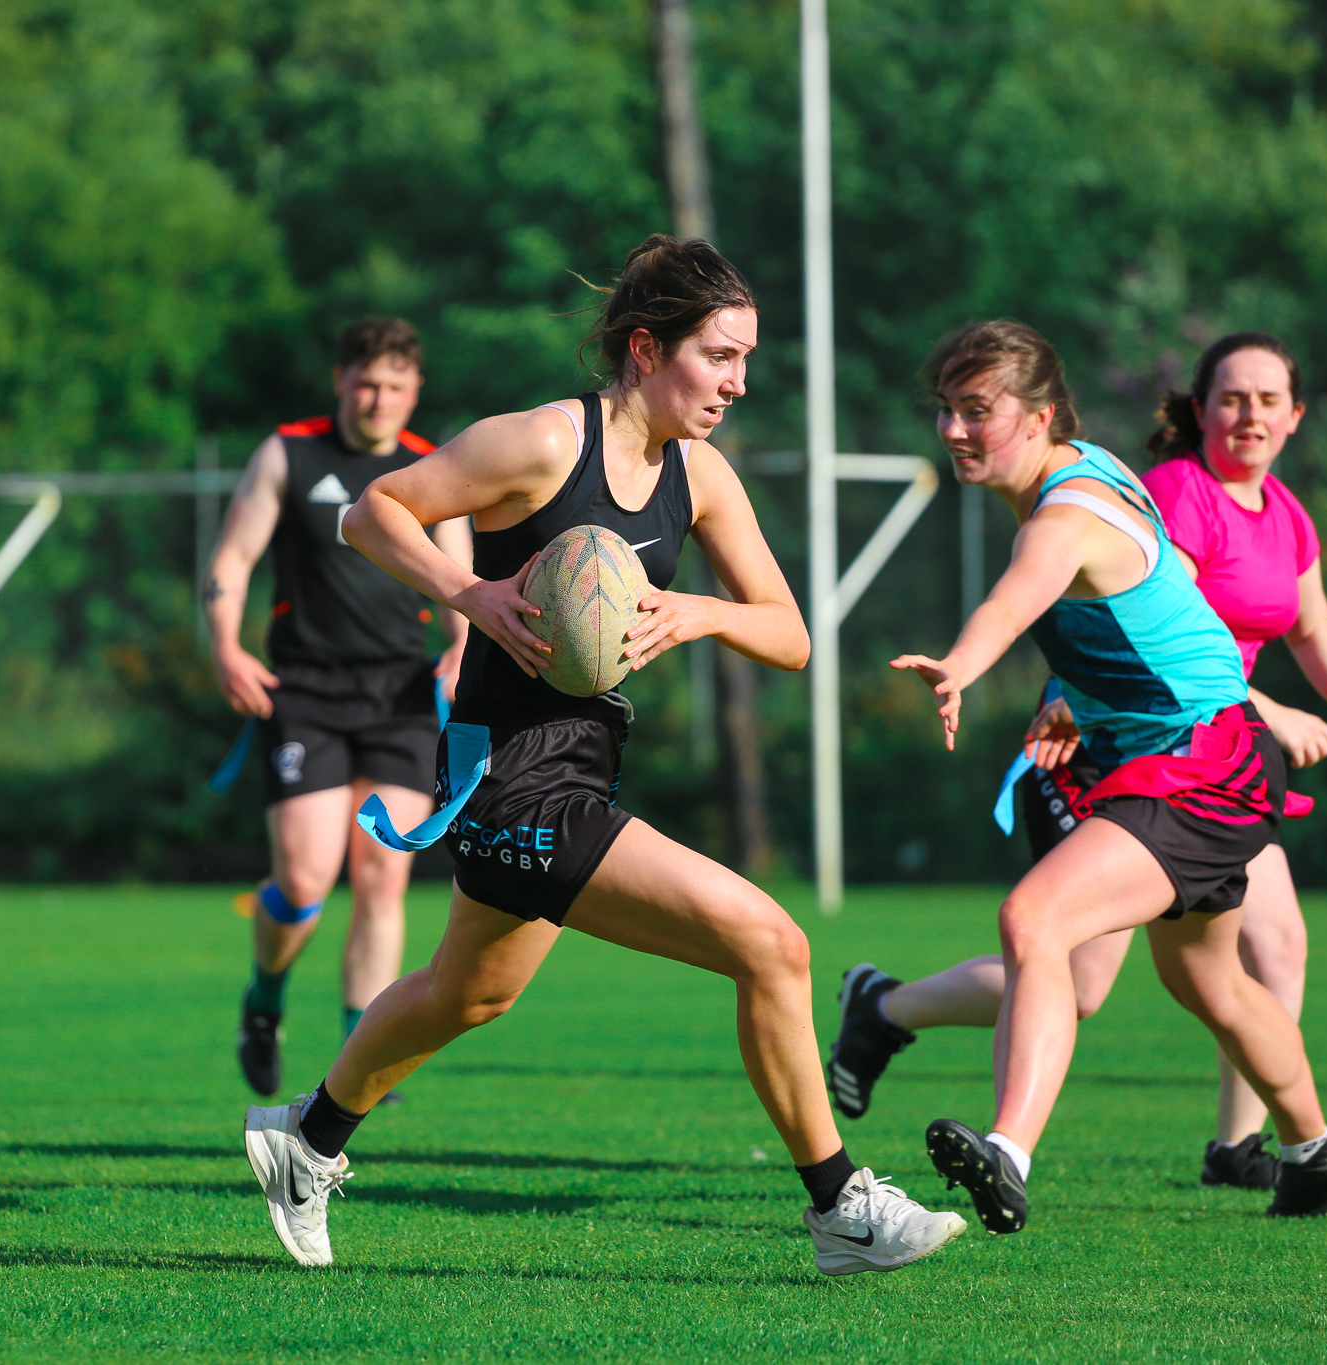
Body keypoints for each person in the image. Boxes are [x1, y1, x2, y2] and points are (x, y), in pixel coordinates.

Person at [240, 236, 967, 1278]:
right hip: (503, 776)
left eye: (745, 359)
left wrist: (697, 613)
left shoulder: (699, 477)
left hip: (578, 766)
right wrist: (471, 596)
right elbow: (371, 512)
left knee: (466, 995)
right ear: (644, 347)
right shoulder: (540, 442)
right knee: (771, 944)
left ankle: (304, 1142)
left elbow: (789, 635)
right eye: (717, 356)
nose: (736, 383)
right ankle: (841, 1210)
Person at [830, 334, 1327, 1195]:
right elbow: (1159, 623)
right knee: (1208, 980)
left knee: (1035, 919)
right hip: (1204, 756)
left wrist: (961, 665)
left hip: (1198, 762)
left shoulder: (1063, 513)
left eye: (980, 411)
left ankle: (1007, 1150)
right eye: (948, 408)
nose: (956, 429)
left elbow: (1014, 602)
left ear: (1040, 417)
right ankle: (1315, 1150)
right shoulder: (1091, 465)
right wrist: (1080, 703)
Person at [205, 318, 469, 1097]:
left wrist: (462, 646)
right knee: (307, 882)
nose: (378, 398)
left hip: (400, 698)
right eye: (365, 381)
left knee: (385, 875)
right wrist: (226, 643)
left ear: (414, 390)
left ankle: (360, 1056)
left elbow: (458, 576)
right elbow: (233, 555)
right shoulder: (289, 451)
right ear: (340, 381)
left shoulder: (432, 468)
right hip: (306, 694)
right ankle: (265, 997)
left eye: (394, 384)